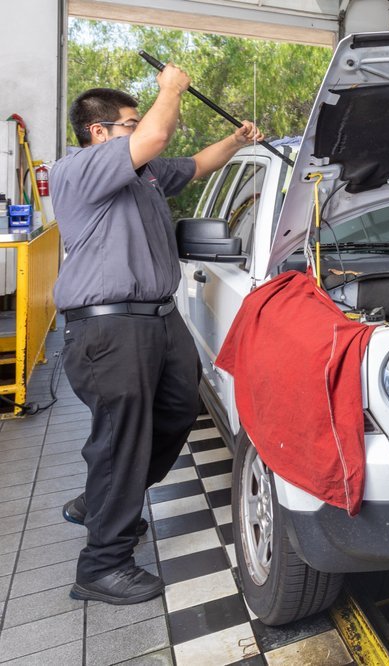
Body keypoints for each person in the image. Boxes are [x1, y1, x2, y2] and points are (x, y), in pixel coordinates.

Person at [51, 65, 264, 605]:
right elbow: (157, 134)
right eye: (127, 122)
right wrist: (169, 90)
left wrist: (236, 142)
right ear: (98, 132)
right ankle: (101, 565)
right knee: (123, 438)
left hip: (157, 317)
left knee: (175, 410)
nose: (137, 128)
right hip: (110, 325)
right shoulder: (80, 169)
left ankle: (100, 500)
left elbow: (194, 166)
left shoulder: (141, 173)